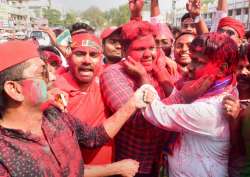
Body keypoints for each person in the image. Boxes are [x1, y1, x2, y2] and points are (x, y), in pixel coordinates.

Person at [0, 39, 150, 177]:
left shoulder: (55, 116)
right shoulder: (4, 156)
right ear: (14, 89)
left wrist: (133, 103)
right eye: (42, 73)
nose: (53, 78)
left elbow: (93, 138)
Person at [141, 32, 239, 177]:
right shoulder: (226, 87)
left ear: (222, 69)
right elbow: (180, 100)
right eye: (192, 60)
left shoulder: (211, 110)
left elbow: (158, 114)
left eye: (198, 61)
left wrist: (143, 82)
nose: (189, 67)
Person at [100, 20, 175, 177]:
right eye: (140, 49)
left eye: (152, 48)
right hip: (133, 166)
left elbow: (177, 100)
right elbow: (139, 122)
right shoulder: (113, 74)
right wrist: (143, 80)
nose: (148, 54)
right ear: (124, 51)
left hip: (160, 160)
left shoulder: (157, 68)